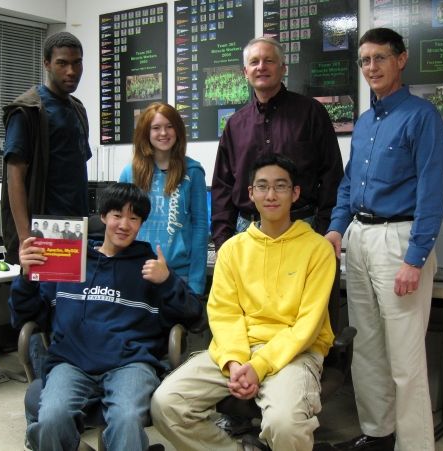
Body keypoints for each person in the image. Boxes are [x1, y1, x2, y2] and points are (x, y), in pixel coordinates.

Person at [151, 154, 336, 451]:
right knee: (166, 404)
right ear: (251, 193)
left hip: (294, 353)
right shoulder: (232, 250)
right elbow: (224, 313)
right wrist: (236, 362)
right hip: (236, 350)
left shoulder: (317, 249)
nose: (271, 195)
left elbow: (307, 325)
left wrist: (258, 366)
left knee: (285, 425)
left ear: (295, 193)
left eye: (280, 186)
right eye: (262, 186)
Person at [8, 183, 203, 451]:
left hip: (131, 364)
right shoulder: (71, 261)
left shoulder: (150, 267)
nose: (124, 224)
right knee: (52, 419)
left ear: (141, 223)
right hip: (70, 361)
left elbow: (194, 317)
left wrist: (167, 281)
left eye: (133, 218)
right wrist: (26, 276)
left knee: (126, 419)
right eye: (117, 215)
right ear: (102, 216)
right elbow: (25, 315)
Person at [325, 28, 443, 451]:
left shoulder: (422, 116)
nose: (371, 67)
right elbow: (349, 184)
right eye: (364, 60)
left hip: (399, 242)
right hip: (359, 239)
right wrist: (337, 228)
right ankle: (378, 434)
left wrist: (415, 259)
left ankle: (414, 445)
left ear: (401, 60)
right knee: (367, 347)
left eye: (380, 58)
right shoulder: (364, 123)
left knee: (405, 357)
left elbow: (432, 192)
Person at [211, 36, 343, 251]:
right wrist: (222, 241)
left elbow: (332, 175)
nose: (261, 67)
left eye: (269, 61)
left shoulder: (311, 113)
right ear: (245, 72)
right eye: (254, 62)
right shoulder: (235, 124)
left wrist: (324, 229)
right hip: (247, 233)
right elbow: (223, 186)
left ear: (283, 68)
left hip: (302, 228)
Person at [2, 31, 91, 264]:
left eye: (77, 63)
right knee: (40, 289)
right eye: (62, 63)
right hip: (41, 233)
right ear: (47, 64)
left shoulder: (78, 110)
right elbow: (14, 178)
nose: (71, 71)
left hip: (75, 230)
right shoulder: (27, 110)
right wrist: (25, 240)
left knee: (73, 289)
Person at [119, 102, 208, 295]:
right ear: (146, 132)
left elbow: (201, 228)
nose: (163, 133)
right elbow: (119, 226)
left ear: (178, 130)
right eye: (156, 128)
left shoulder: (193, 172)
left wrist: (196, 283)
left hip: (179, 276)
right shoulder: (130, 173)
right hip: (137, 272)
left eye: (169, 126)